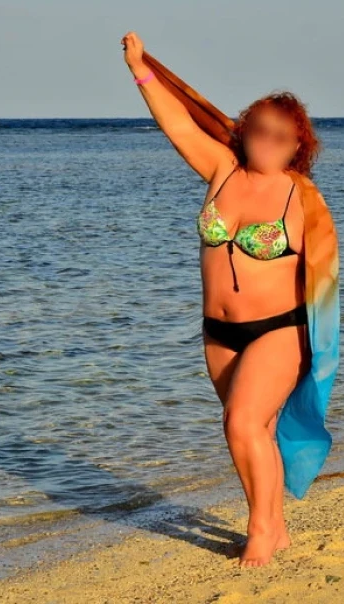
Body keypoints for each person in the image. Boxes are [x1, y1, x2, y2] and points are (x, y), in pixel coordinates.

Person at [121, 31, 322, 568]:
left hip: (280, 329)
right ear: (244, 129)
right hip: (219, 332)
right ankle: (275, 524)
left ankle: (259, 530)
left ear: (297, 146)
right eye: (260, 129)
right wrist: (140, 68)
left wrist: (321, 345)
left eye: (281, 137)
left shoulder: (300, 197)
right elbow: (177, 123)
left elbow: (324, 273)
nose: (268, 142)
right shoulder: (221, 169)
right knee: (254, 430)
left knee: (240, 423)